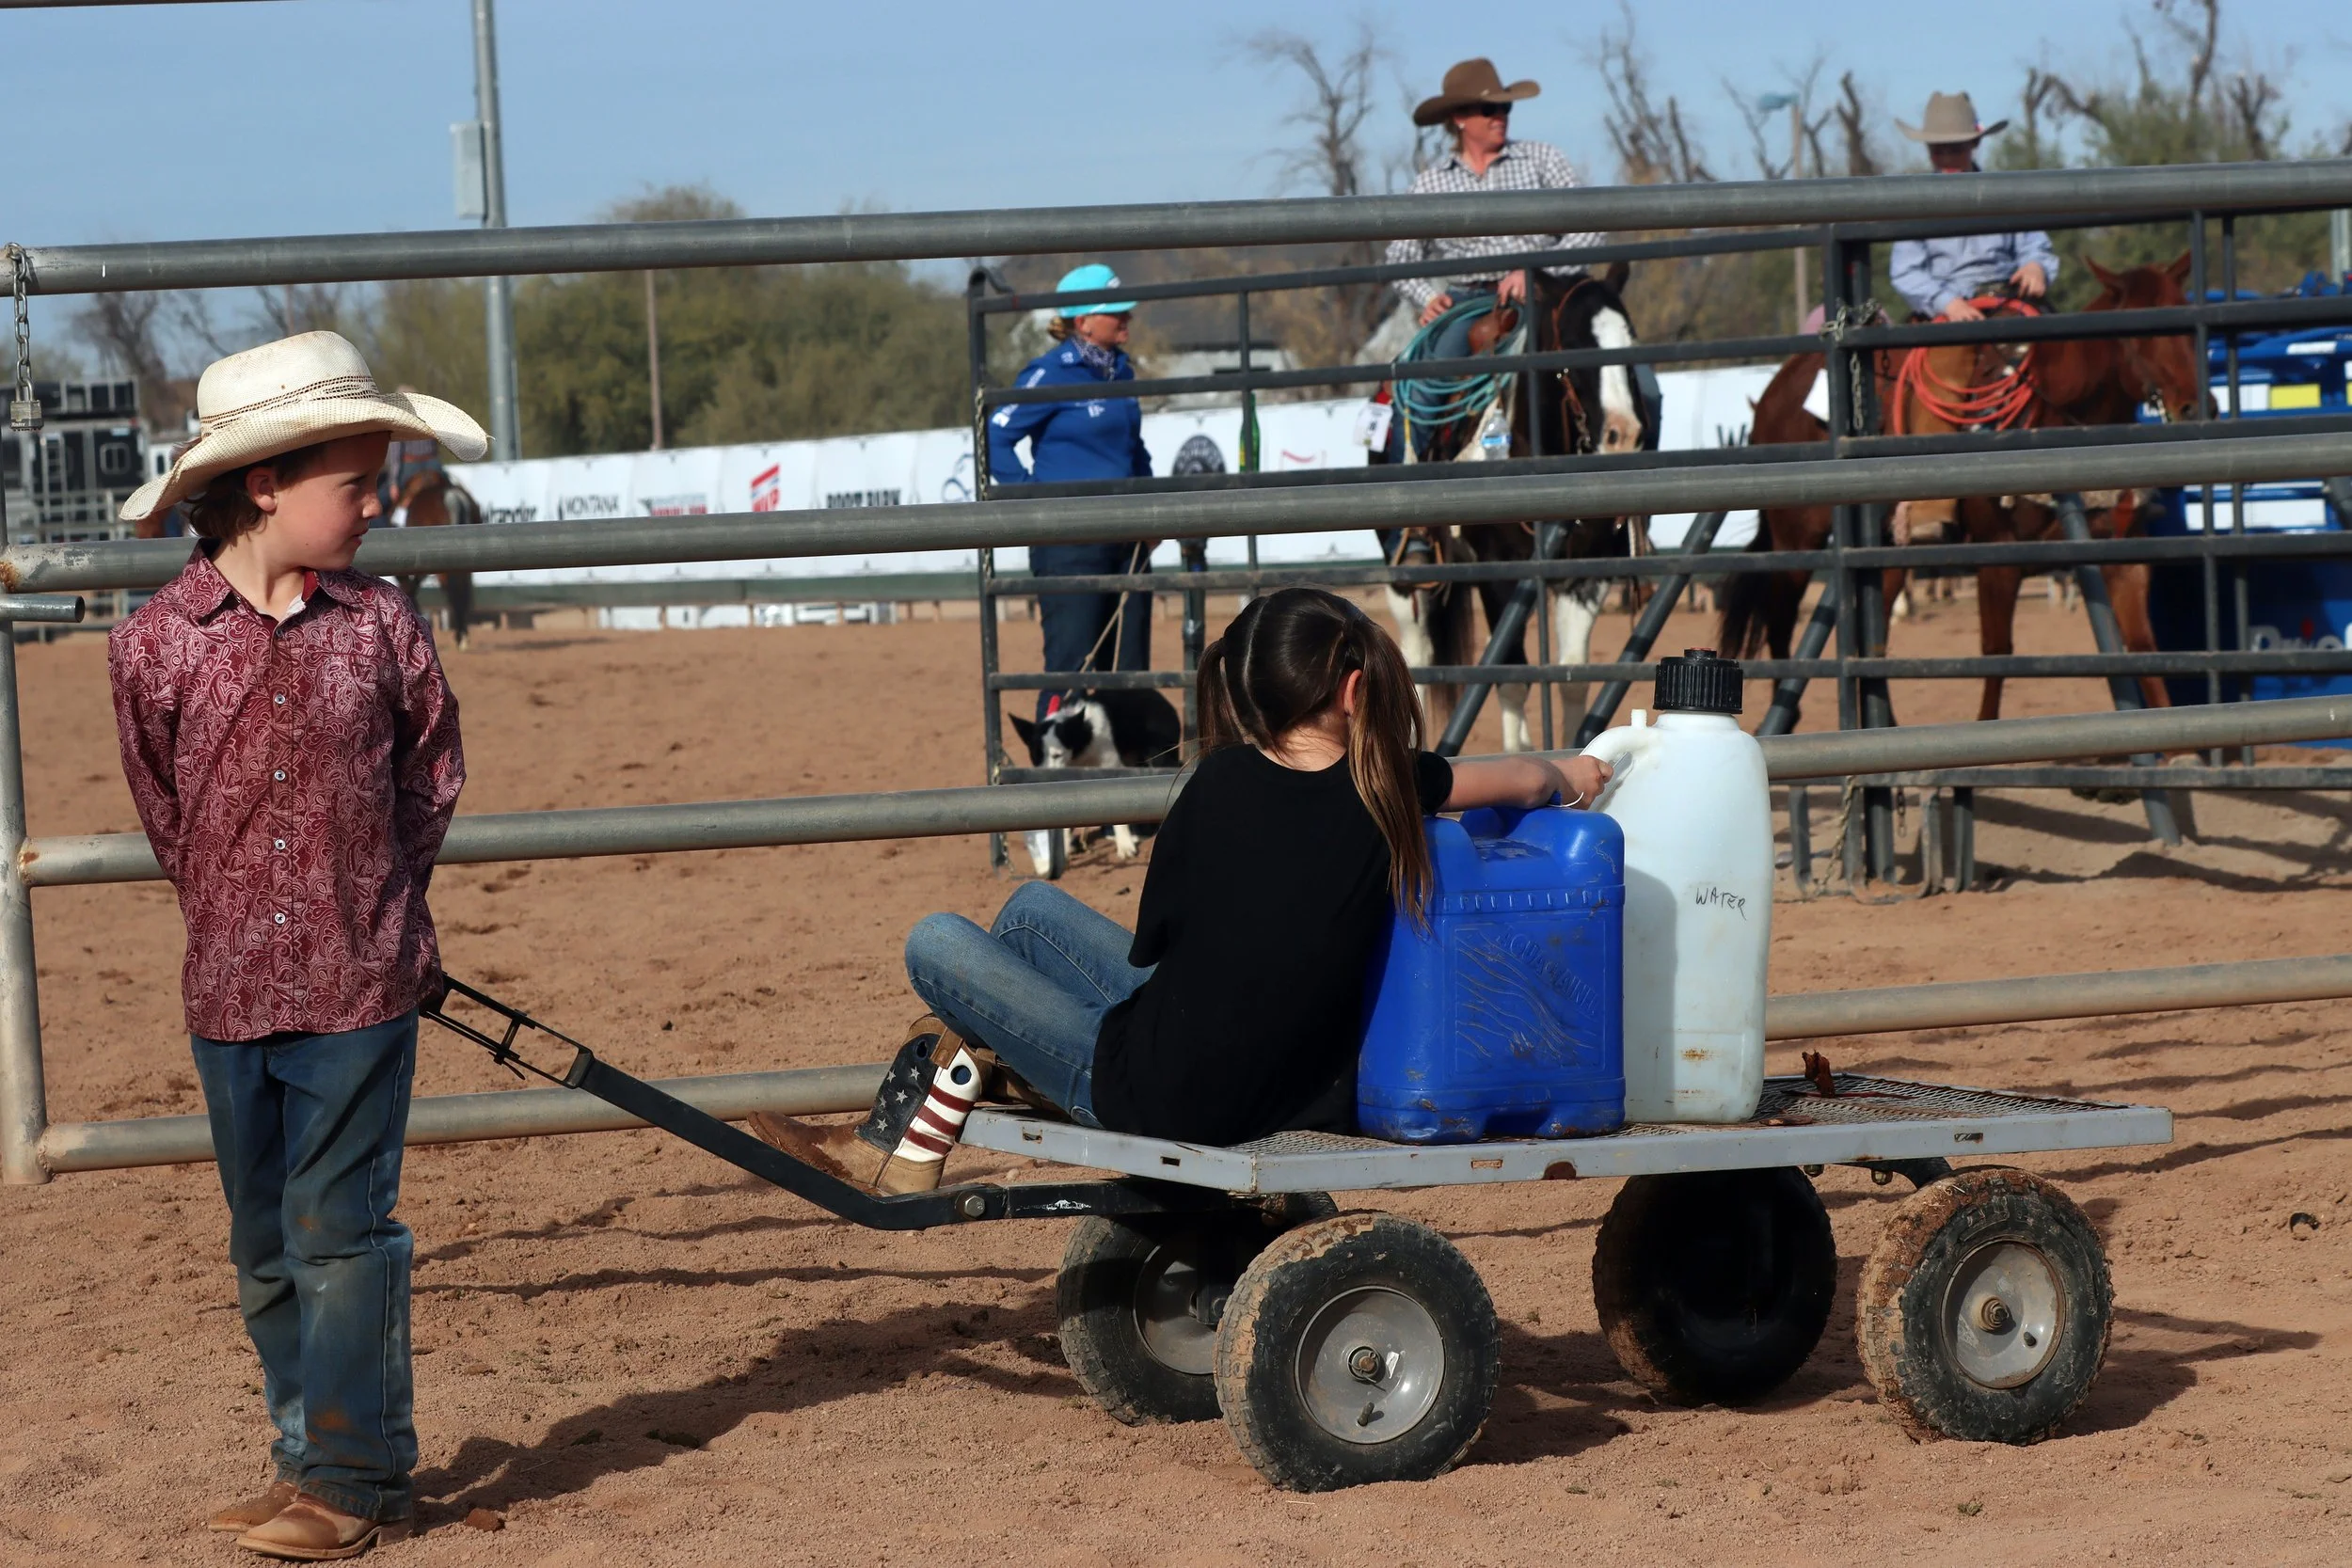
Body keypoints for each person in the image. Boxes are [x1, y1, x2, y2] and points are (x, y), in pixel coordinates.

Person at [749, 588, 1613, 1192]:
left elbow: (1156, 939)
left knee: (936, 939)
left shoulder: (1218, 781)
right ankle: (929, 1111)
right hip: (1277, 1076)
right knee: (1028, 915)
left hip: (1163, 1094)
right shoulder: (1390, 783)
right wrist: (1576, 770)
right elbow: (1519, 777)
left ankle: (904, 1133)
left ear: (1247, 686)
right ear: (1355, 689)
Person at [109, 331, 481, 1560]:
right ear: (263, 482)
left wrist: (378, 900)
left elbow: (432, 772)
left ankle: (360, 1473)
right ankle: (306, 1451)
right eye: (354, 481)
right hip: (227, 990)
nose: (376, 502)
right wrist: (232, 908)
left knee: (339, 1227)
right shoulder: (156, 641)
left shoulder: (381, 627)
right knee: (265, 1237)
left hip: (358, 984)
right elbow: (164, 805)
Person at [986, 263, 1154, 721]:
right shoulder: (1050, 374)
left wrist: (1154, 511)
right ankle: (1054, 781)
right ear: (1082, 322)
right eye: (1115, 311)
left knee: (1129, 672)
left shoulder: (1122, 372)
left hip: (1127, 541)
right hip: (1069, 547)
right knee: (1071, 669)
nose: (1127, 318)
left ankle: (1122, 781)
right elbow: (995, 437)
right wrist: (1037, 505)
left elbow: (1133, 449)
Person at [1384, 58, 1602, 352]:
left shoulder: (1543, 159)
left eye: (1505, 107)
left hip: (1547, 293)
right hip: (1470, 303)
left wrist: (1537, 271)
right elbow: (1400, 257)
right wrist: (1428, 299)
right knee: (1432, 374)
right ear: (1459, 117)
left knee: (1619, 361)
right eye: (1489, 109)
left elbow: (1589, 226)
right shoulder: (1430, 186)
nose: (1500, 116)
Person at [1888, 92, 2059, 323]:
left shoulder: (2004, 195)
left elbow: (2033, 243)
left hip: (2007, 300)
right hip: (1948, 308)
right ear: (1928, 149)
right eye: (1938, 150)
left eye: (1956, 149)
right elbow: (1906, 271)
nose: (1947, 159)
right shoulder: (1916, 205)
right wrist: (1947, 302)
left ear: (1974, 143)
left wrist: (2034, 267)